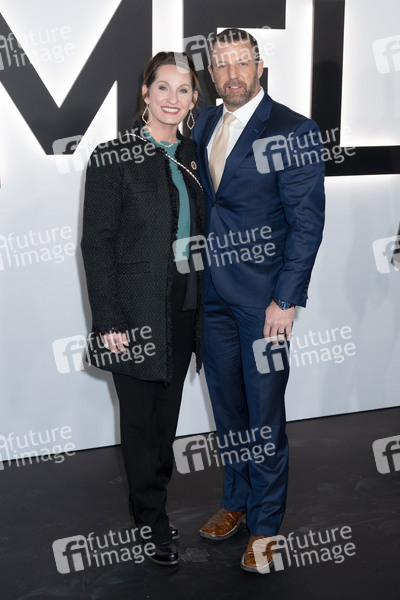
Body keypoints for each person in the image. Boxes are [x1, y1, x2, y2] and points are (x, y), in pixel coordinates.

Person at [191, 28, 325, 573]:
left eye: (241, 62)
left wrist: (286, 300)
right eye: (221, 65)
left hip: (264, 303)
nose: (232, 74)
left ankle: (266, 528)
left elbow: (307, 222)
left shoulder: (293, 129)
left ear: (259, 66)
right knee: (228, 410)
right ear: (211, 73)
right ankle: (237, 502)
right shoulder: (203, 123)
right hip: (212, 298)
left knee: (265, 415)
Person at [81, 52, 205, 566]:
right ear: (145, 93)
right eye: (163, 88)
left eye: (184, 90)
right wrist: (108, 319)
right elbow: (96, 244)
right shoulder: (112, 156)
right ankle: (152, 521)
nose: (173, 98)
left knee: (165, 422)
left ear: (194, 100)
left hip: (185, 304)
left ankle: (151, 502)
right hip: (134, 310)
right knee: (139, 422)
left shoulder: (194, 154)